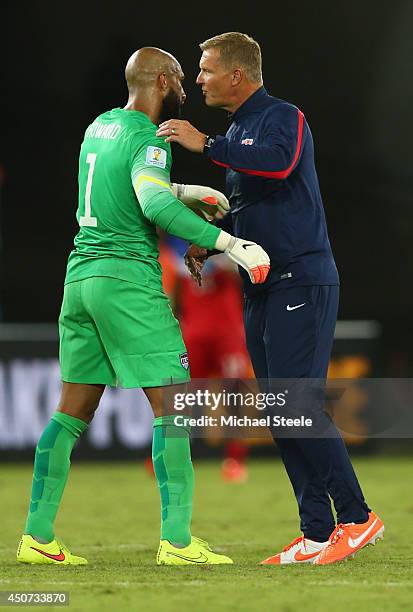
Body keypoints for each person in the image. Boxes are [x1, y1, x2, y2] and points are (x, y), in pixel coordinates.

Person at [17, 46, 271, 567]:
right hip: (126, 280)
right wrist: (231, 245)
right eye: (179, 76)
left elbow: (120, 187)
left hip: (80, 278)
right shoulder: (149, 138)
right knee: (173, 406)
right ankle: (177, 542)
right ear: (160, 80)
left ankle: (36, 536)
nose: (186, 85)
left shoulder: (101, 127)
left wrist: (182, 187)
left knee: (72, 411)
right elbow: (151, 203)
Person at [155, 32, 384, 565]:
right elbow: (253, 207)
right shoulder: (240, 129)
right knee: (281, 410)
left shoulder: (283, 117)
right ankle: (317, 531)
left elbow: (278, 164)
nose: (199, 79)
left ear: (237, 75)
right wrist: (211, 244)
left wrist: (206, 144)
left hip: (301, 278)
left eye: (207, 69)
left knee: (298, 402)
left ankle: (356, 517)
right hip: (261, 283)